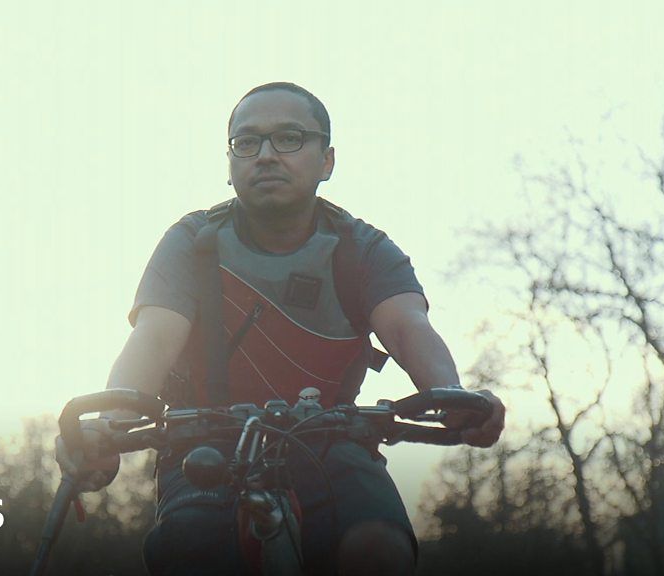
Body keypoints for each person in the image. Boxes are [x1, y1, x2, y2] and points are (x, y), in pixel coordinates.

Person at [58, 82, 506, 576]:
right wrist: (111, 422)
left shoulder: (362, 248)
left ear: (327, 161)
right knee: (188, 550)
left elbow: (407, 328)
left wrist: (453, 396)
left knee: (379, 549)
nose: (266, 155)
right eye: (246, 142)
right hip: (202, 442)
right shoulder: (192, 242)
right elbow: (154, 337)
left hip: (334, 440)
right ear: (230, 165)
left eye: (289, 138)